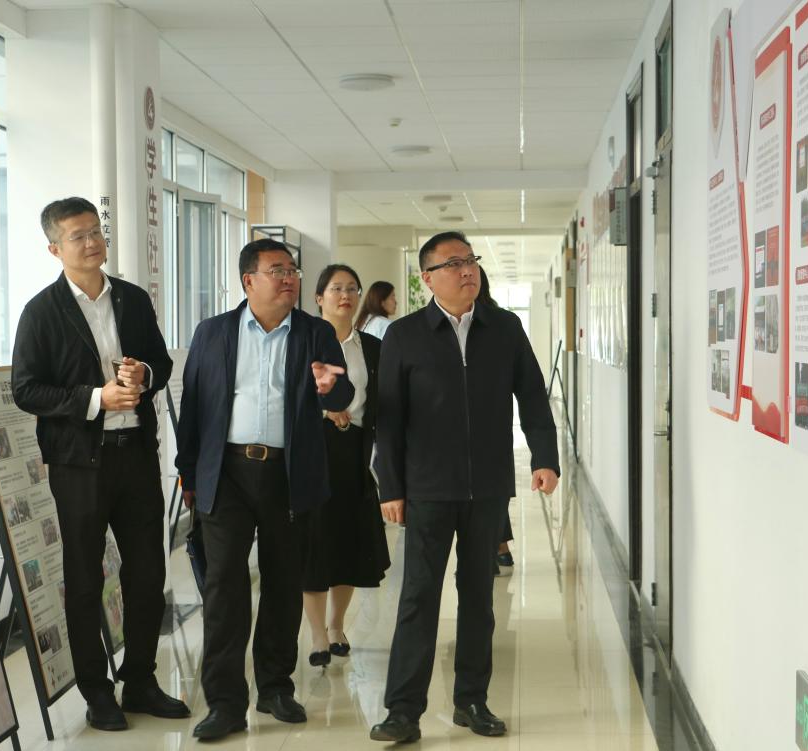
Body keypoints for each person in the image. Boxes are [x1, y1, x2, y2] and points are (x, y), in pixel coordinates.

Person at [370, 231, 560, 743]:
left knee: (479, 599)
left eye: (470, 260)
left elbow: (532, 396)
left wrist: (545, 458)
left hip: (487, 488)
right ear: (428, 278)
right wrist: (391, 487)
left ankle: (472, 700)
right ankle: (402, 711)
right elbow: (389, 420)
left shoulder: (505, 327)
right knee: (418, 598)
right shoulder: (405, 335)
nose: (467, 269)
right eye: (452, 263)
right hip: (427, 488)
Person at [12, 197, 188, 731]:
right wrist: (95, 399)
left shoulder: (132, 299)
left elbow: (162, 362)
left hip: (136, 454)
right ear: (55, 249)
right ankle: (97, 691)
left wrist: (143, 375)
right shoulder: (41, 311)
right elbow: (26, 389)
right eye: (78, 236)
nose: (91, 243)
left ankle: (140, 680)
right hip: (79, 465)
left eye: (95, 231)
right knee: (86, 579)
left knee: (148, 570)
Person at [176, 238, 354, 742]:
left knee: (283, 582)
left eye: (292, 270)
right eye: (277, 270)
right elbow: (194, 405)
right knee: (224, 588)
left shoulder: (316, 332)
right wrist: (189, 473)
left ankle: (275, 688)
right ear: (248, 280)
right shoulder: (214, 332)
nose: (289, 278)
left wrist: (331, 388)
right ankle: (225, 702)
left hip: (288, 475)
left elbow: (343, 393)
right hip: (227, 473)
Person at [303, 265, 390, 668]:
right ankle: (317, 634)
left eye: (353, 288)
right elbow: (289, 396)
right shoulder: (303, 343)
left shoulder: (370, 347)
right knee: (315, 542)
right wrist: (325, 411)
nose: (345, 295)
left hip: (355, 452)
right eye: (336, 288)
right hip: (313, 451)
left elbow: (378, 403)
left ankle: (337, 625)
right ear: (318, 297)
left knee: (349, 542)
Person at [476, 266, 516, 572]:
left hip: (488, 425)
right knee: (491, 493)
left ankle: (494, 548)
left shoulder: (499, 323)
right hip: (489, 427)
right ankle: (497, 548)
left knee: (489, 494)